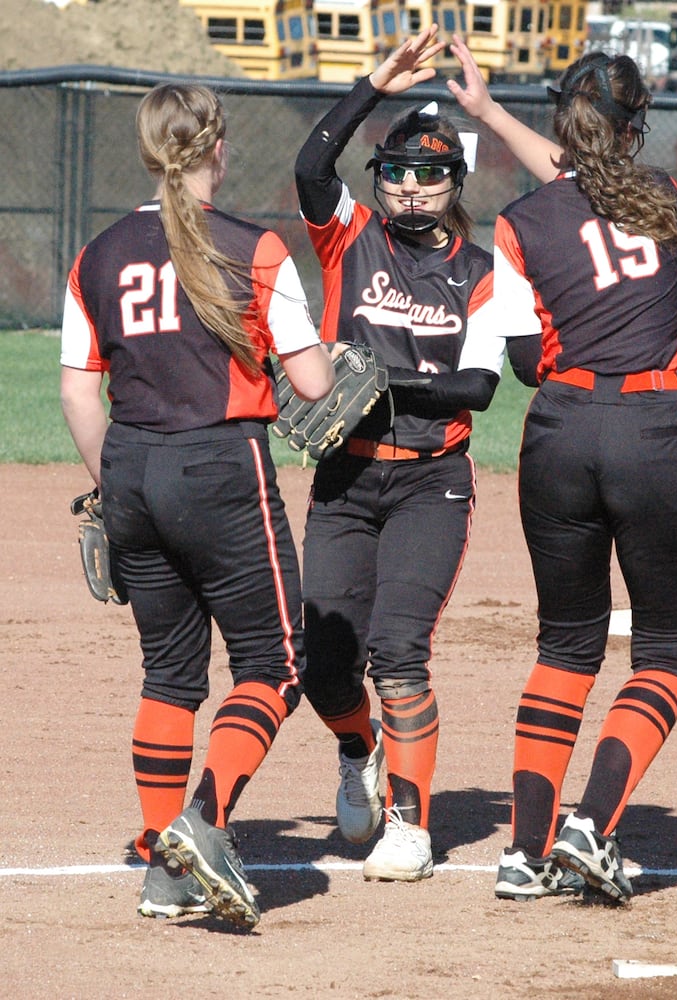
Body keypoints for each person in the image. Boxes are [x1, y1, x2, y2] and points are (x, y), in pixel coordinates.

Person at [59, 82, 335, 928]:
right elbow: (314, 383)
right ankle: (200, 823)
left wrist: (122, 481)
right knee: (276, 665)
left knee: (169, 674)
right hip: (221, 467)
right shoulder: (255, 249)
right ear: (219, 147)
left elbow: (78, 392)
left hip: (132, 467)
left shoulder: (97, 253)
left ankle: (161, 865)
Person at [481, 51, 677, 904]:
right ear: (631, 127)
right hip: (653, 430)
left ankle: (523, 852)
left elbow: (519, 363)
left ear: (558, 124)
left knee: (565, 648)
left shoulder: (516, 222)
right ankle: (591, 824)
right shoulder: (661, 197)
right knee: (663, 654)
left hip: (560, 435)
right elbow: (595, 184)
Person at [293, 26, 520, 883]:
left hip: (432, 482)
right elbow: (313, 170)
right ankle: (358, 750)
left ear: (454, 185)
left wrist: (375, 380)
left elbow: (475, 391)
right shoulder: (348, 238)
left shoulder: (484, 271)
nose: (411, 187)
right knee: (321, 666)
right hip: (345, 476)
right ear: (378, 180)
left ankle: (411, 825)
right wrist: (371, 90)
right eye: (395, 171)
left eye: (430, 174)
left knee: (397, 650)